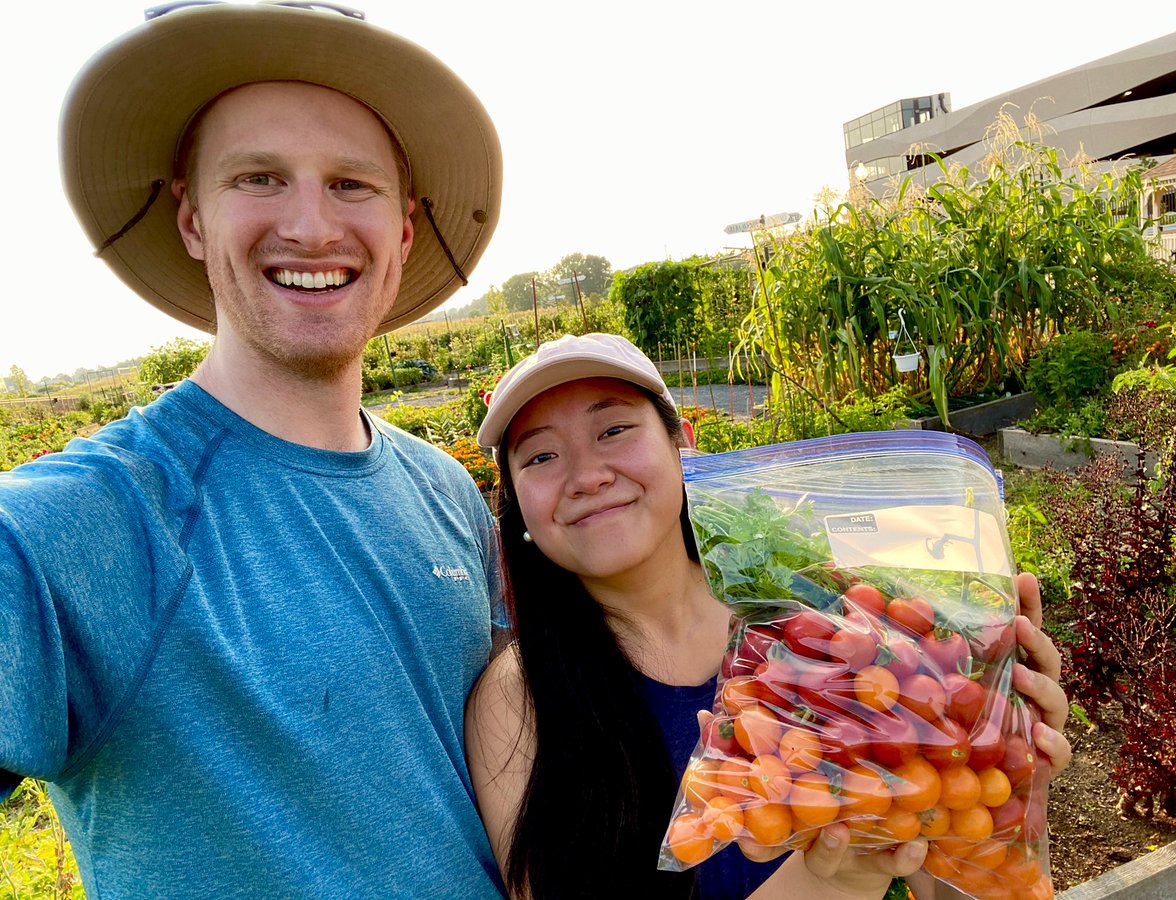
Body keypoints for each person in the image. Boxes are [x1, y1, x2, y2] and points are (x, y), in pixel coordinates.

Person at [1, 3, 505, 897]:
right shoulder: (85, 523)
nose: (311, 227)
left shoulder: (443, 489)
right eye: (260, 178)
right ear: (191, 219)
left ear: (404, 228)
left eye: (352, 183)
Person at [466, 333, 1072, 899]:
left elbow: (973, 877)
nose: (587, 476)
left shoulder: (828, 629)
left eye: (614, 429)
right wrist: (827, 883)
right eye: (541, 456)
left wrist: (1014, 774)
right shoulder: (515, 704)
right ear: (515, 503)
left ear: (684, 448)